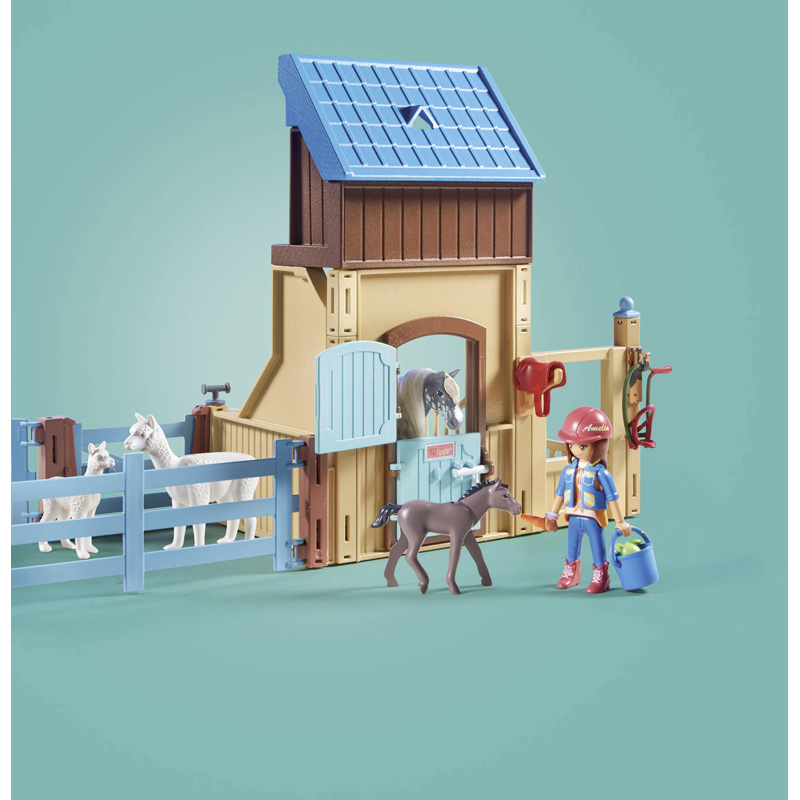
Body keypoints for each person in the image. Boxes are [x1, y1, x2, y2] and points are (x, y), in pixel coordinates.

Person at [545, 407, 631, 594]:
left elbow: (613, 498)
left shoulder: (601, 473)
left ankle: (601, 575)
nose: (575, 449)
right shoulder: (568, 470)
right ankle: (571, 573)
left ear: (599, 446)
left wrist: (620, 521)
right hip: (573, 517)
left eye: (582, 446)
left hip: (593, 518)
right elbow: (560, 494)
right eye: (571, 445)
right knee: (572, 547)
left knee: (597, 548)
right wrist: (552, 514)